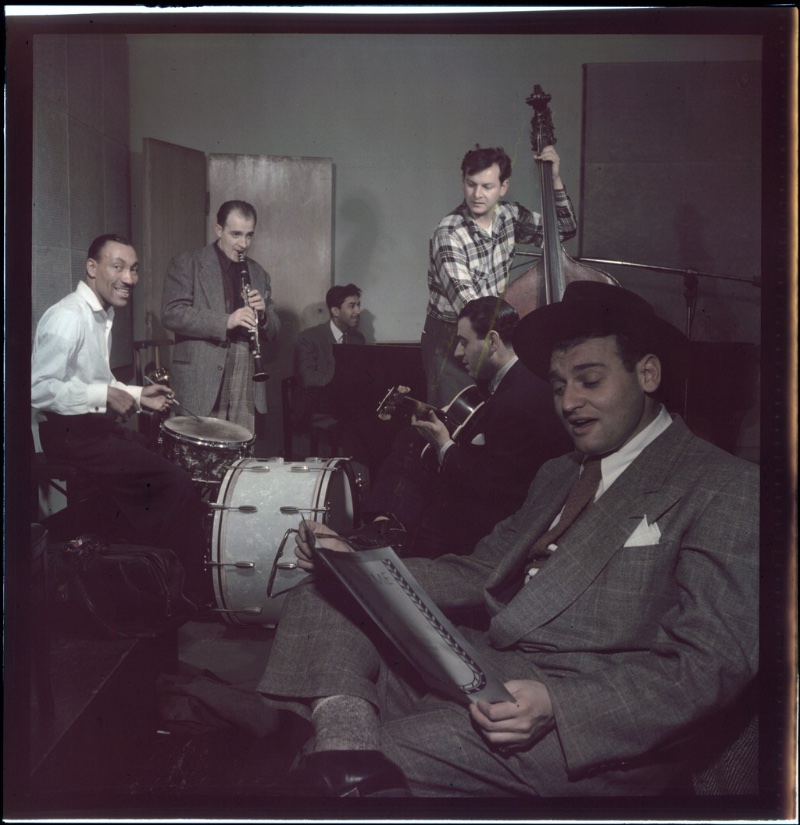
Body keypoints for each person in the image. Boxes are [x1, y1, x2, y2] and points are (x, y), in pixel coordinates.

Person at [255, 280, 759, 798]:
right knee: (324, 593)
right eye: (560, 385)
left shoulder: (727, 486)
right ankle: (347, 751)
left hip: (580, 716)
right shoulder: (560, 472)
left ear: (648, 373)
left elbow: (707, 666)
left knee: (353, 760)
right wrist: (356, 564)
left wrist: (559, 707)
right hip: (487, 665)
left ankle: (341, 757)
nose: (570, 402)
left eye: (589, 380)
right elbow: (479, 572)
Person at [31, 234, 210, 602]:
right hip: (68, 436)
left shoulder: (101, 314)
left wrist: (138, 395)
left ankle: (155, 575)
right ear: (92, 268)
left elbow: (101, 381)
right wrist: (103, 396)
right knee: (173, 482)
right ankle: (163, 588)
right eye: (118, 267)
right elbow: (35, 389)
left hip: (91, 431)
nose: (129, 278)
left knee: (168, 464)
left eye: (134, 269)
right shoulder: (67, 317)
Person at [362, 296, 571, 559]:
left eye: (464, 341)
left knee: (415, 461)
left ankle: (388, 534)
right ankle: (386, 527)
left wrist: (443, 444)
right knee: (411, 441)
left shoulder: (515, 400)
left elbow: (490, 485)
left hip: (498, 521)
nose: (458, 352)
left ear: (493, 341)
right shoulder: (517, 381)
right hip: (501, 498)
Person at [422, 144, 578, 409]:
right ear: (462, 181)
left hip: (490, 331)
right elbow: (470, 309)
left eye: (487, 186)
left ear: (503, 187)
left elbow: (563, 229)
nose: (477, 194)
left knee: (496, 413)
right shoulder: (448, 233)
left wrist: (554, 179)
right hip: (454, 337)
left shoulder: (509, 215)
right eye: (471, 184)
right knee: (459, 419)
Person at [162, 200, 281, 435]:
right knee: (199, 455)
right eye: (236, 234)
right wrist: (226, 321)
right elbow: (172, 313)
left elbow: (275, 328)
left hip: (245, 371)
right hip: (202, 372)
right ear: (219, 230)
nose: (243, 244)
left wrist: (263, 315)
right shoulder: (188, 263)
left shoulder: (258, 272)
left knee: (240, 449)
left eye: (249, 236)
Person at [293, 283, 365, 422]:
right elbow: (308, 377)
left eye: (358, 305)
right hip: (316, 403)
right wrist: (341, 385)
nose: (358, 311)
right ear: (335, 311)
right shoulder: (308, 337)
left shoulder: (358, 338)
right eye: (351, 306)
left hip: (347, 403)